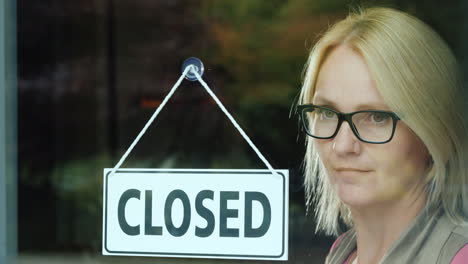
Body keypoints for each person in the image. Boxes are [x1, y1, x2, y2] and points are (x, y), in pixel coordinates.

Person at [296, 7, 468, 264]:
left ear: (432, 132)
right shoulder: (342, 254)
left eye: (376, 117)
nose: (342, 146)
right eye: (328, 113)